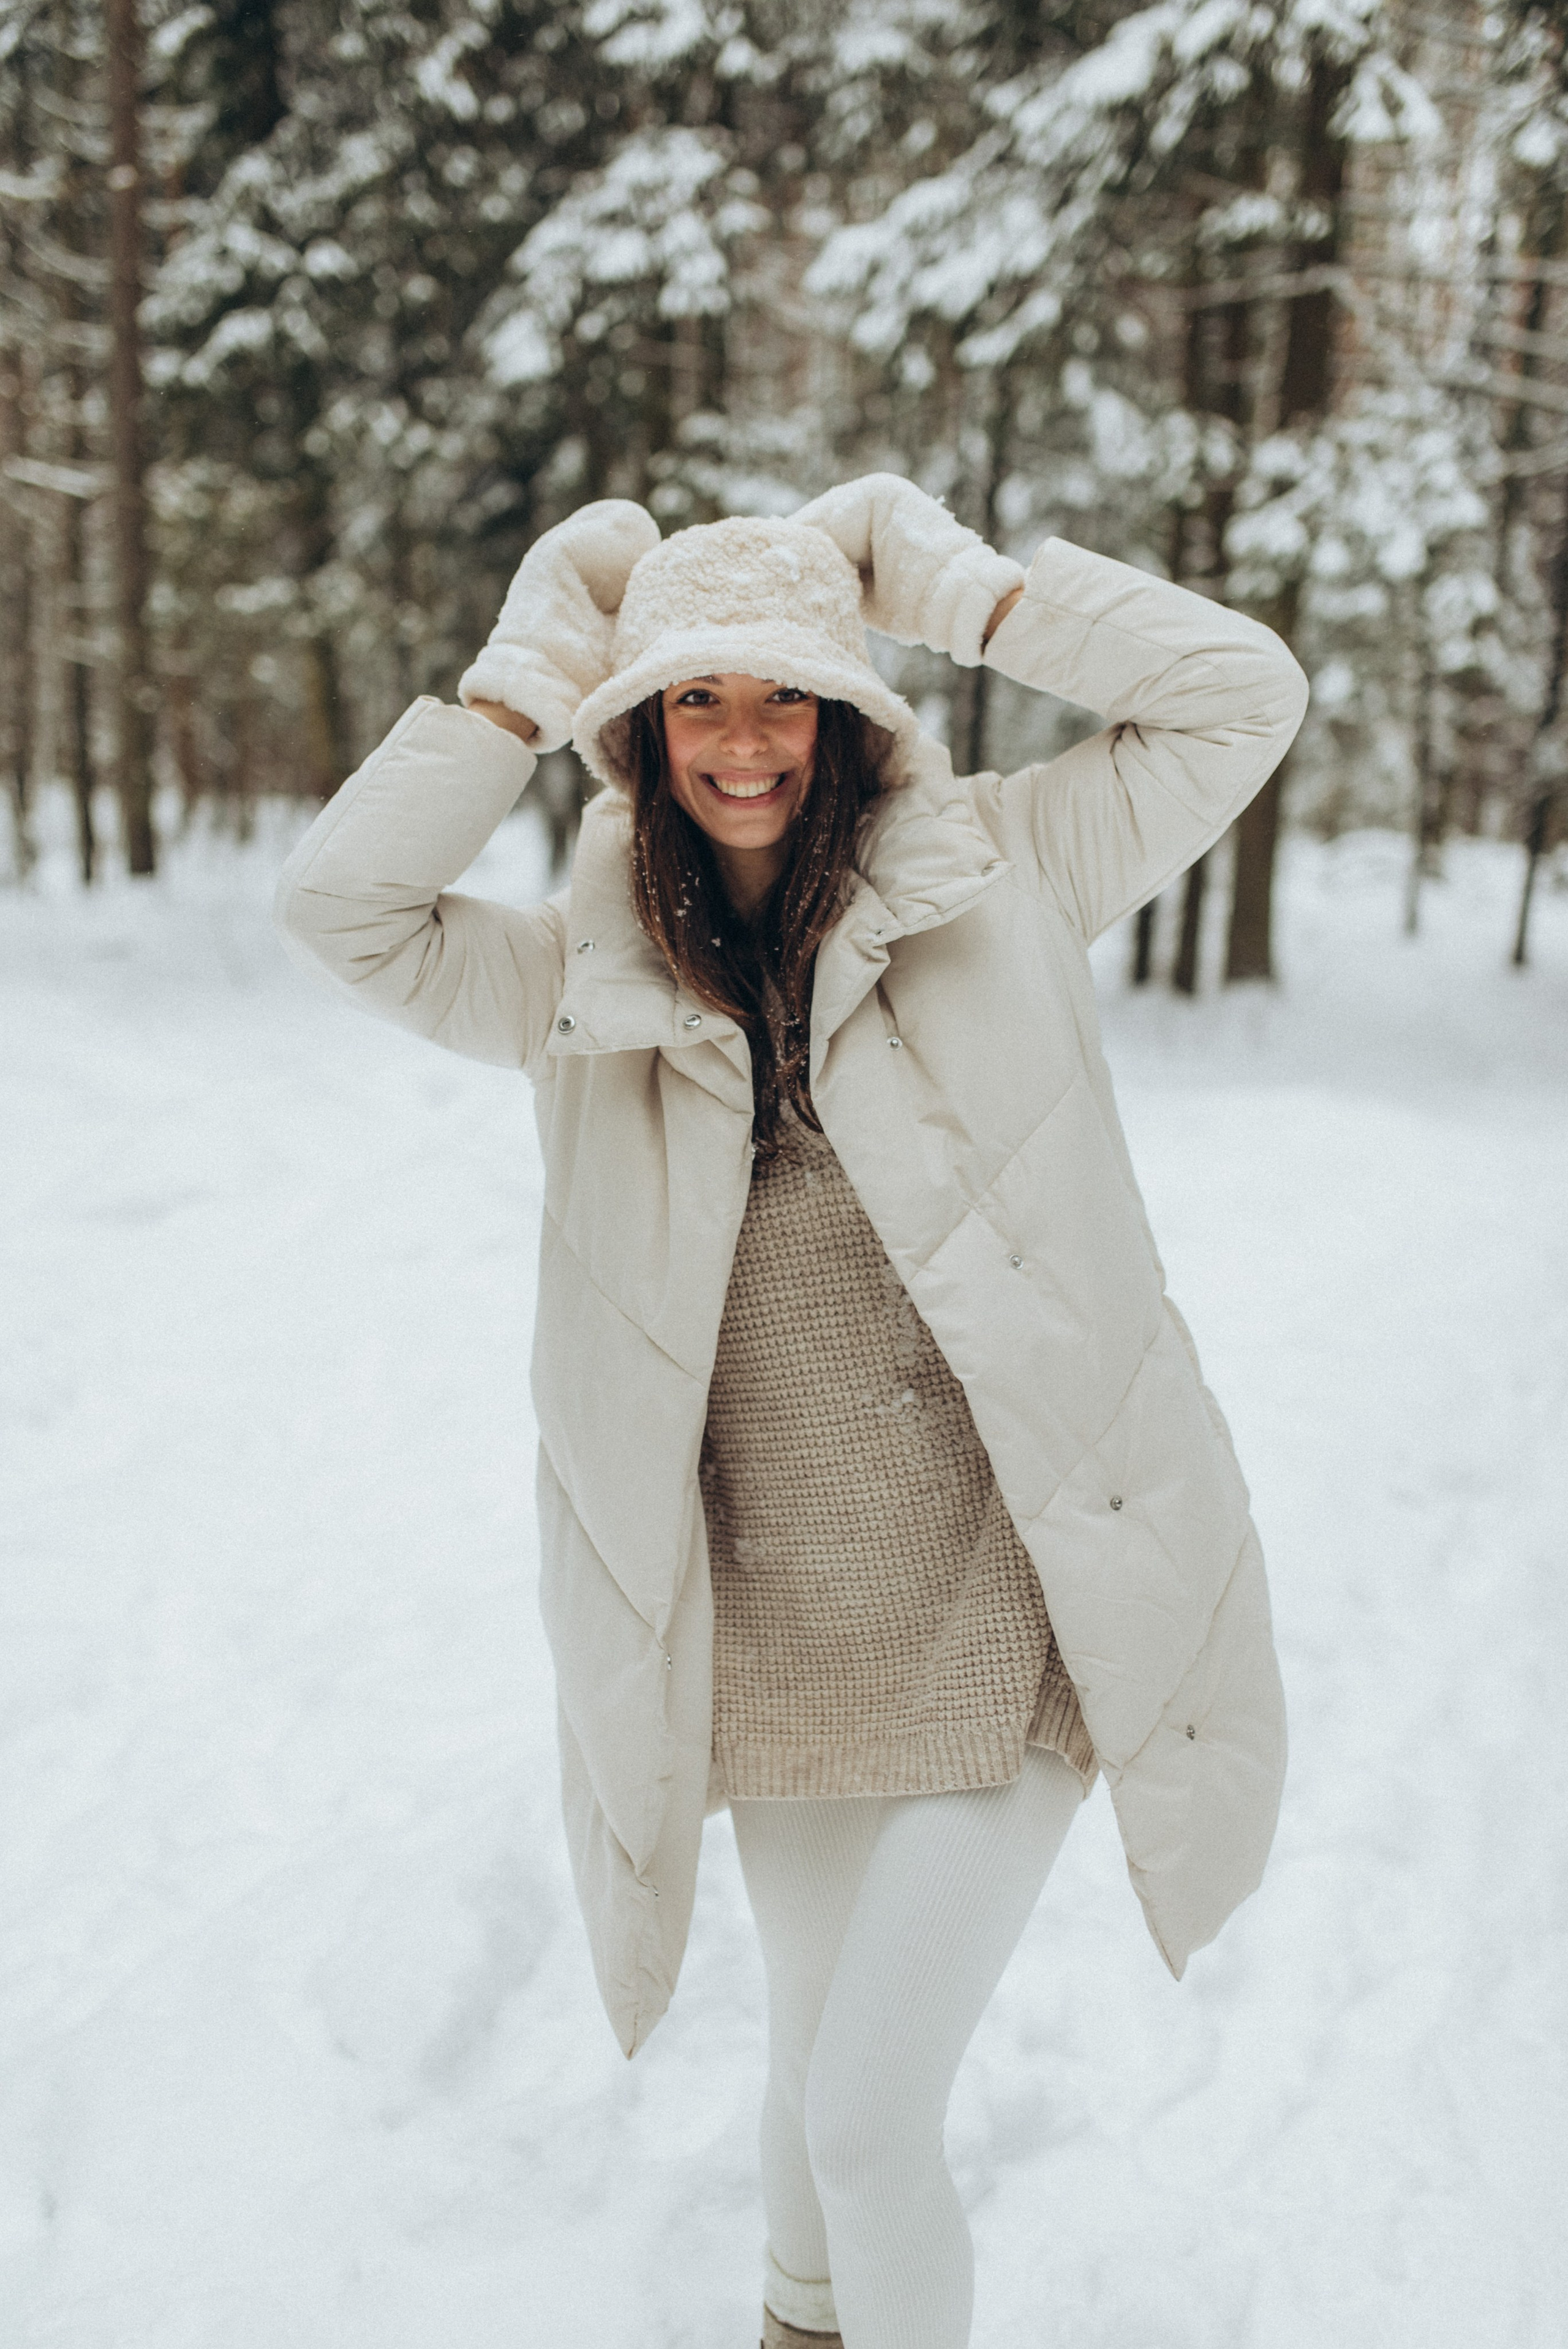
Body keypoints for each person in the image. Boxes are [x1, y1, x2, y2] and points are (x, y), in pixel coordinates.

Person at [274, 475, 1308, 2349]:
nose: (743, 741)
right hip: (782, 1625)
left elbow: (1244, 696)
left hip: (1015, 1593)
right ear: (639, 725)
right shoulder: (582, 982)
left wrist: (969, 596)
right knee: (813, 2061)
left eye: (785, 695)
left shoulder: (1005, 872)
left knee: (866, 2113)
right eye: (697, 696)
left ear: (848, 715)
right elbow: (343, 905)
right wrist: (517, 679)